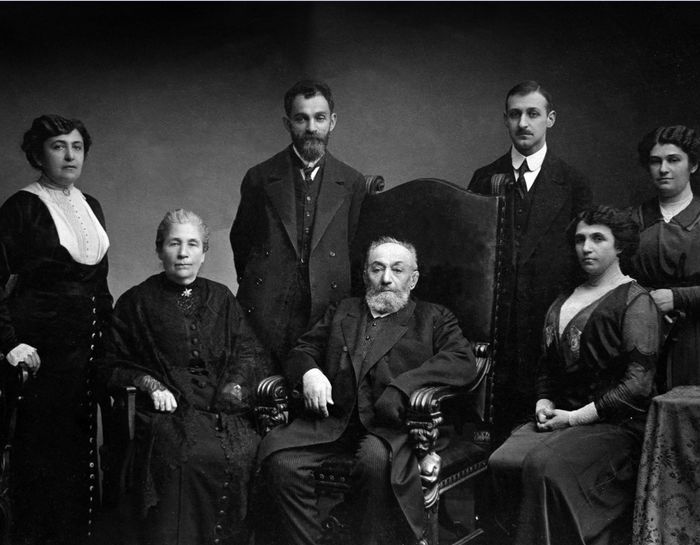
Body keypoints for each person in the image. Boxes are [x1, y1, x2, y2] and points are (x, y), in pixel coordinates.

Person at [258, 236, 478, 545]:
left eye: (397, 270)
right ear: (365, 275)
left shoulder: (433, 317)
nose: (386, 278)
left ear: (413, 279)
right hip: (332, 424)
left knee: (376, 462)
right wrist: (310, 373)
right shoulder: (342, 311)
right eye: (377, 268)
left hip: (391, 429)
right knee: (281, 462)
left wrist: (404, 387)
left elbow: (462, 360)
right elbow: (302, 350)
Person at [489, 206, 661, 545]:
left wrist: (574, 418)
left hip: (615, 426)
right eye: (580, 239)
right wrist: (543, 401)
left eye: (598, 239)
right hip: (561, 417)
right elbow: (547, 367)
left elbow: (638, 385)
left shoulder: (635, 300)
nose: (586, 247)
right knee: (501, 460)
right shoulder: (563, 299)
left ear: (620, 246)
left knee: (545, 467)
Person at [99, 209, 271, 545]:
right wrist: (150, 384)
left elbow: (248, 351)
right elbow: (110, 364)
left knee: (249, 451)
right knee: (186, 456)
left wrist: (234, 386)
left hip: (222, 406)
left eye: (192, 244)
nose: (183, 253)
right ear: (159, 249)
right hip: (168, 410)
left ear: (204, 253)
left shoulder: (222, 297)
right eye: (174, 243)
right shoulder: (136, 301)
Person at [0, 114, 111, 544]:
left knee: (79, 456)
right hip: (40, 357)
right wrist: (10, 344)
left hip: (87, 352)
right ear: (37, 154)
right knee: (41, 457)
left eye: (77, 147)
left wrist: (111, 342)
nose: (69, 155)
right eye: (58, 146)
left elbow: (100, 286)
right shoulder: (21, 208)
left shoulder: (92, 206)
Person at [468, 80, 593, 441]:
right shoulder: (484, 179)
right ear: (505, 119)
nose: (523, 123)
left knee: (542, 434)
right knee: (492, 433)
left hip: (548, 325)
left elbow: (583, 260)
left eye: (533, 114)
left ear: (550, 119)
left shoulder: (573, 183)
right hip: (496, 331)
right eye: (515, 114)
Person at [230, 79, 367, 366]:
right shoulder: (259, 177)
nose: (311, 127)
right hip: (268, 304)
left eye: (320, 118)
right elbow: (241, 242)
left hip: (325, 307)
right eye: (301, 118)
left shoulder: (352, 182)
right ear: (288, 123)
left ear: (332, 121)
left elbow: (354, 249)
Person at [629, 125, 700, 387]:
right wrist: (644, 300)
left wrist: (677, 297)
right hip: (643, 332)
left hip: (695, 335)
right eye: (655, 161)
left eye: (673, 160)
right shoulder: (631, 220)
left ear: (693, 165)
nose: (663, 169)